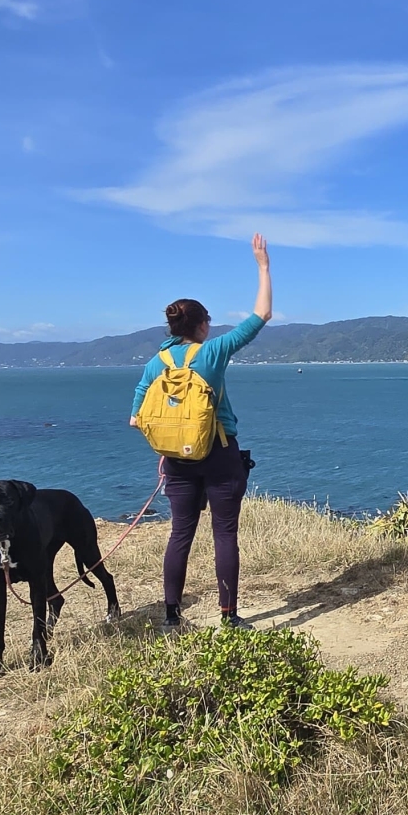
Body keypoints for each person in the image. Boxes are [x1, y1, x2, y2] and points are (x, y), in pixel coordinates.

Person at [129, 233, 272, 629]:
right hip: (220, 452)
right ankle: (228, 616)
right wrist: (263, 266)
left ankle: (172, 616)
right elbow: (261, 317)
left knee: (180, 534)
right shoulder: (212, 351)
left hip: (176, 457)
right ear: (203, 325)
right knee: (224, 534)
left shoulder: (157, 361)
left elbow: (138, 411)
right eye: (209, 321)